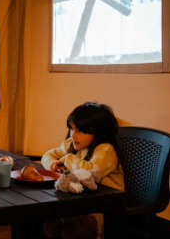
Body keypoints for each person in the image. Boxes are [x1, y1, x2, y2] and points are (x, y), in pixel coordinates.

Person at [40, 101, 125, 239]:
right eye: (72, 129)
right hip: (79, 202)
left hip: (104, 208)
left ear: (97, 132)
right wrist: (53, 164)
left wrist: (67, 159)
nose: (73, 135)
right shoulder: (72, 144)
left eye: (79, 130)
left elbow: (92, 171)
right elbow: (48, 155)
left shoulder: (105, 150)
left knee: (76, 229)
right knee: (48, 223)